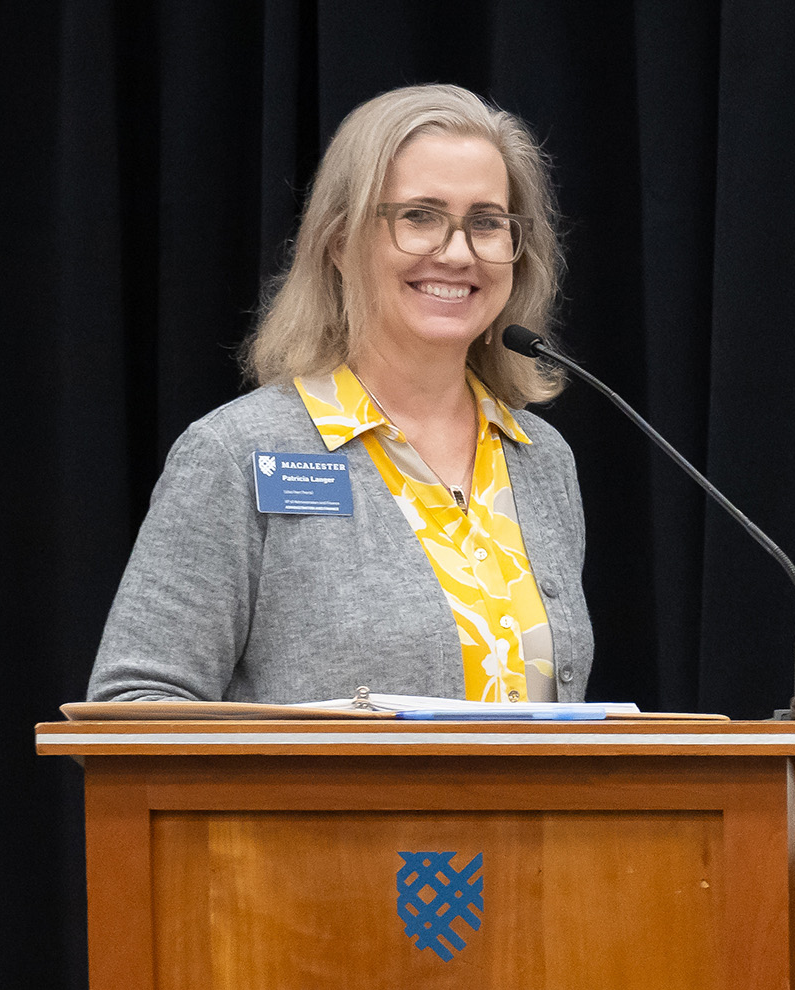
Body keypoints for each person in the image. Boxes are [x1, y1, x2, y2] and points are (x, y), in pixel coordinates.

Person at [88, 84, 593, 704]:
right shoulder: (237, 454)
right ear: (339, 243)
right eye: (419, 217)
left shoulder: (541, 459)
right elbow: (132, 706)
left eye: (487, 223)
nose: (458, 252)